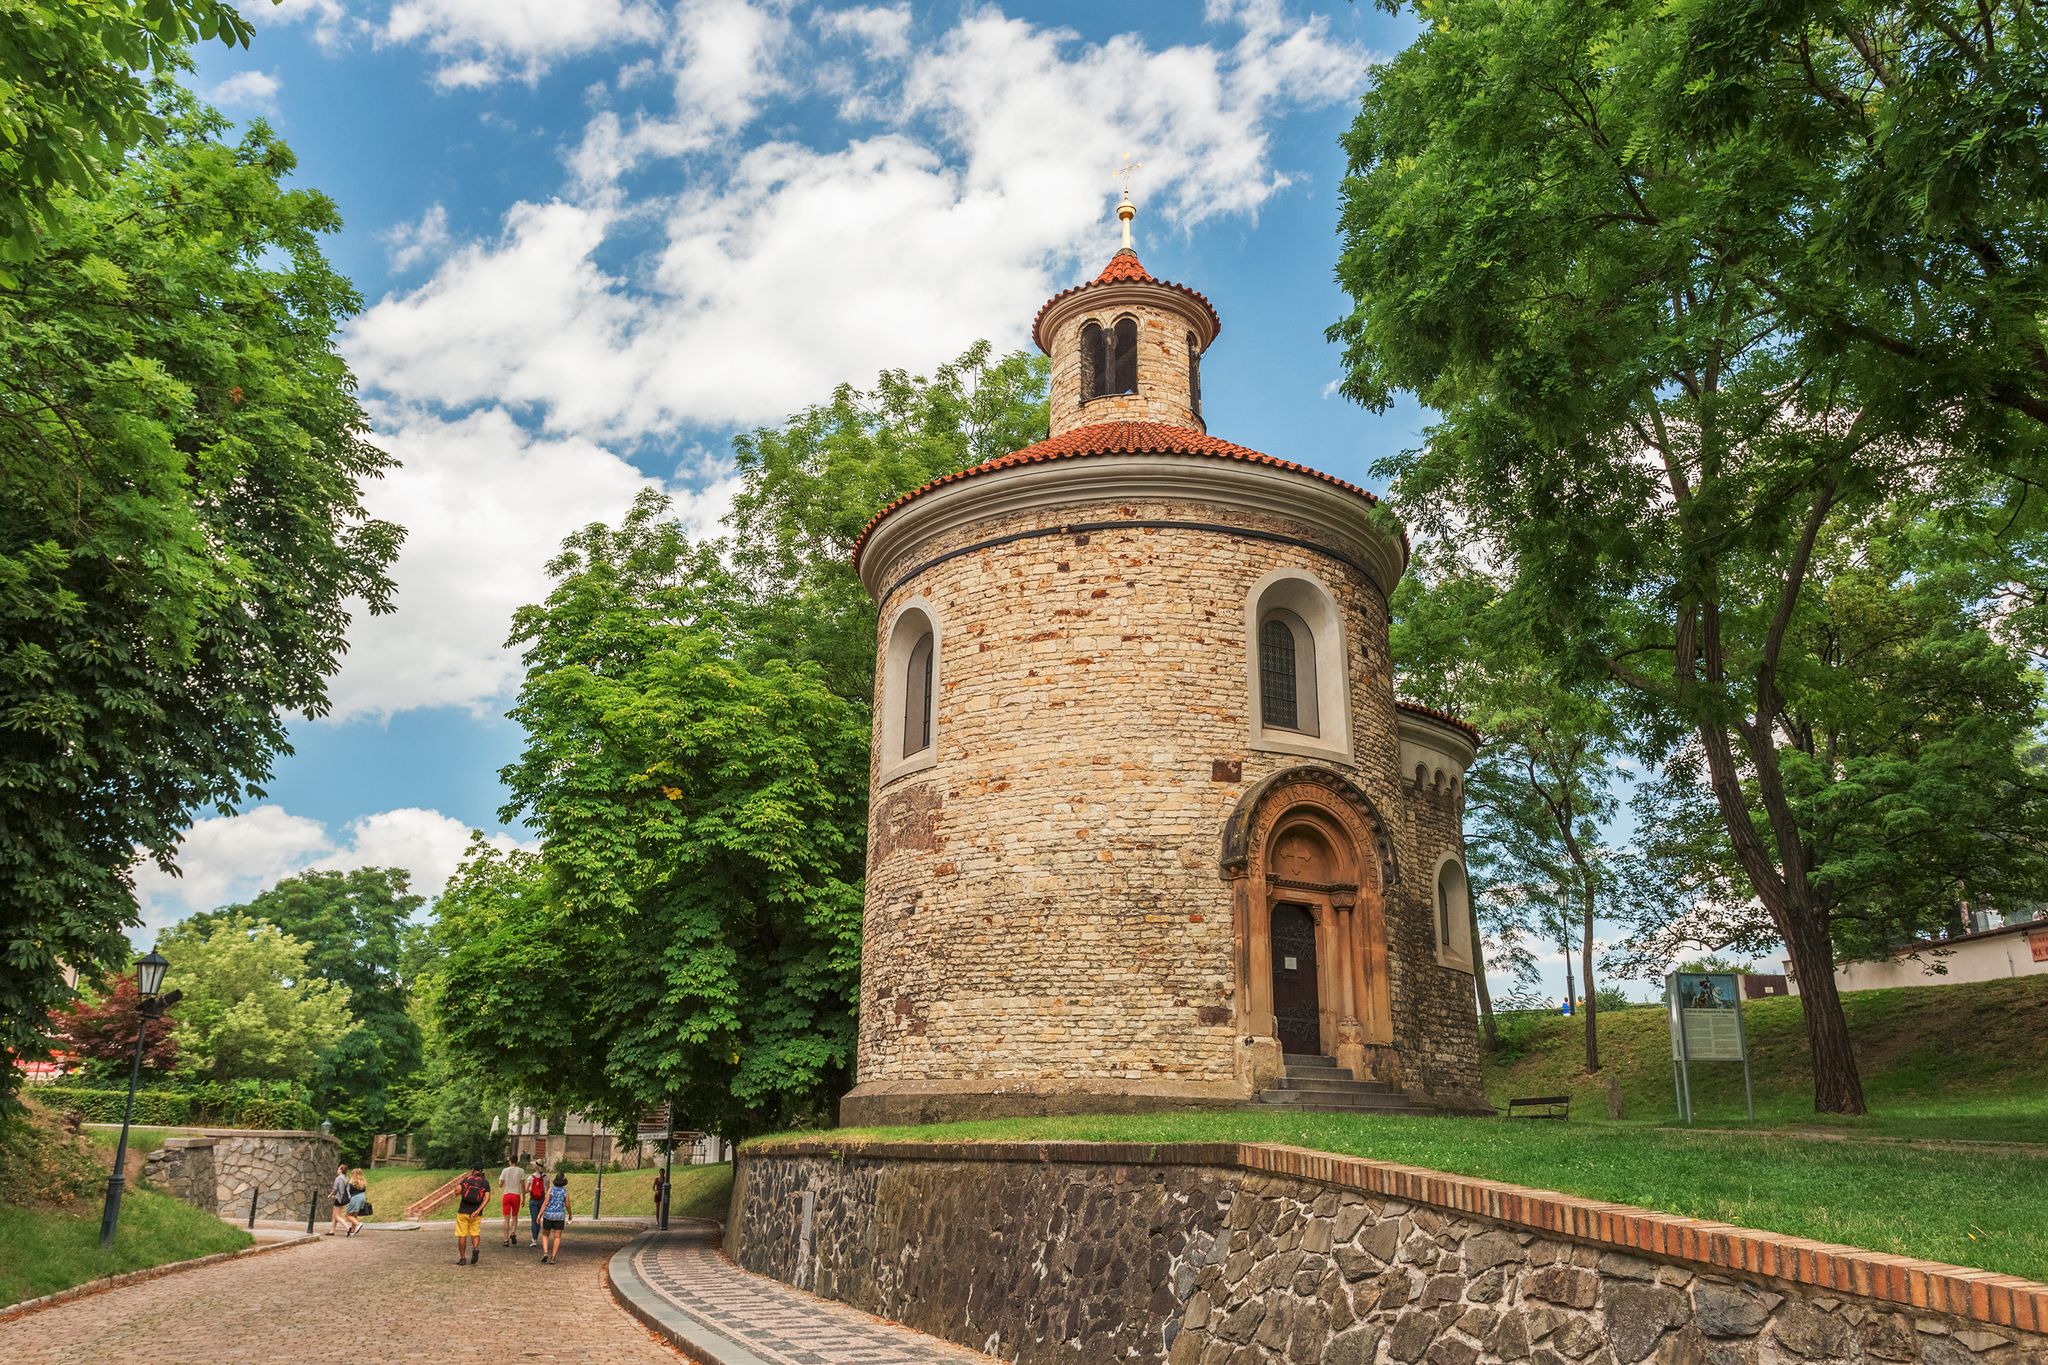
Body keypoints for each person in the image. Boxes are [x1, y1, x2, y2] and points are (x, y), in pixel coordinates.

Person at [453, 1165, 491, 1265]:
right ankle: (475, 1248)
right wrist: (478, 1210)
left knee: (462, 1235)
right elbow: (487, 1198)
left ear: (473, 1170)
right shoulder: (485, 1183)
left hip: (463, 1211)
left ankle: (462, 1258)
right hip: (476, 1214)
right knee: (475, 1234)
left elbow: (457, 1191)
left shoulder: (466, 1180)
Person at [539, 1172, 571, 1264]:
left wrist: (539, 1214)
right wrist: (570, 1214)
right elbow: (568, 1205)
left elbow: (545, 1203)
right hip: (559, 1216)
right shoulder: (565, 1191)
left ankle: (545, 1252)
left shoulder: (550, 1189)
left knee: (545, 1235)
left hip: (548, 1215)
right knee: (557, 1237)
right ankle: (553, 1257)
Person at [498, 1154, 526, 1247]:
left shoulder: (505, 1170)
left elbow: (500, 1184)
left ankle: (506, 1240)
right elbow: (522, 1185)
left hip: (507, 1194)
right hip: (516, 1195)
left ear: (510, 1161)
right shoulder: (521, 1171)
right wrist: (524, 1198)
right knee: (514, 1216)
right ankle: (513, 1232)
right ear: (516, 1161)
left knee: (506, 1218)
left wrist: (502, 1182)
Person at [526, 1165, 547, 1248]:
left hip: (533, 1200)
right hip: (542, 1200)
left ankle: (534, 1239)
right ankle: (536, 1236)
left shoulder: (531, 1177)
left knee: (534, 1219)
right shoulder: (546, 1177)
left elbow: (527, 1190)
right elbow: (547, 1189)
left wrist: (532, 1190)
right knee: (539, 1218)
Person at [343, 1166, 368, 1236]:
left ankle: (358, 1224)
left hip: (355, 1198)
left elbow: (349, 1192)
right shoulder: (363, 1183)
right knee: (354, 1215)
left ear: (354, 1174)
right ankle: (353, 1231)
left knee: (348, 1215)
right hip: (362, 1197)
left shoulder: (351, 1183)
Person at [328, 1163, 350, 1236]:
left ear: (340, 1170)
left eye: (338, 1169)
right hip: (343, 1199)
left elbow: (335, 1189)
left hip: (338, 1198)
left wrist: (330, 1195)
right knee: (334, 1214)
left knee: (337, 1216)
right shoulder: (346, 1178)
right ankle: (332, 1231)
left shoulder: (338, 1178)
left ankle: (347, 1227)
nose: (337, 1170)